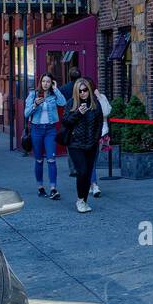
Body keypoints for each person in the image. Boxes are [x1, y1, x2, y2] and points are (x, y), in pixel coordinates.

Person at [60, 78, 105, 214]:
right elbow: (66, 122)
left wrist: (96, 139)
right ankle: (80, 200)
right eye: (80, 91)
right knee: (82, 172)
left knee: (88, 173)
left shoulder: (95, 104)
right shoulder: (71, 104)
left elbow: (99, 124)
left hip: (91, 144)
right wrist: (79, 113)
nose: (83, 93)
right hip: (75, 144)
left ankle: (84, 201)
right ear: (76, 92)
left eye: (85, 90)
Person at [24, 74, 66, 200]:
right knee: (39, 160)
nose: (46, 84)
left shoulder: (54, 95)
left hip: (50, 130)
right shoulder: (33, 95)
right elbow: (26, 114)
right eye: (43, 81)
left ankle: (53, 189)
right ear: (40, 82)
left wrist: (56, 88)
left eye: (48, 82)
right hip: (36, 129)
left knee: (51, 159)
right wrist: (35, 105)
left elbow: (63, 102)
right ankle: (40, 187)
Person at [88, 85, 112, 197]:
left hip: (101, 133)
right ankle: (94, 184)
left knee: (93, 161)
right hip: (88, 134)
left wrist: (99, 97)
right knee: (90, 161)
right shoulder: (85, 99)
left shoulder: (101, 97)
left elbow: (106, 112)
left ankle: (91, 184)